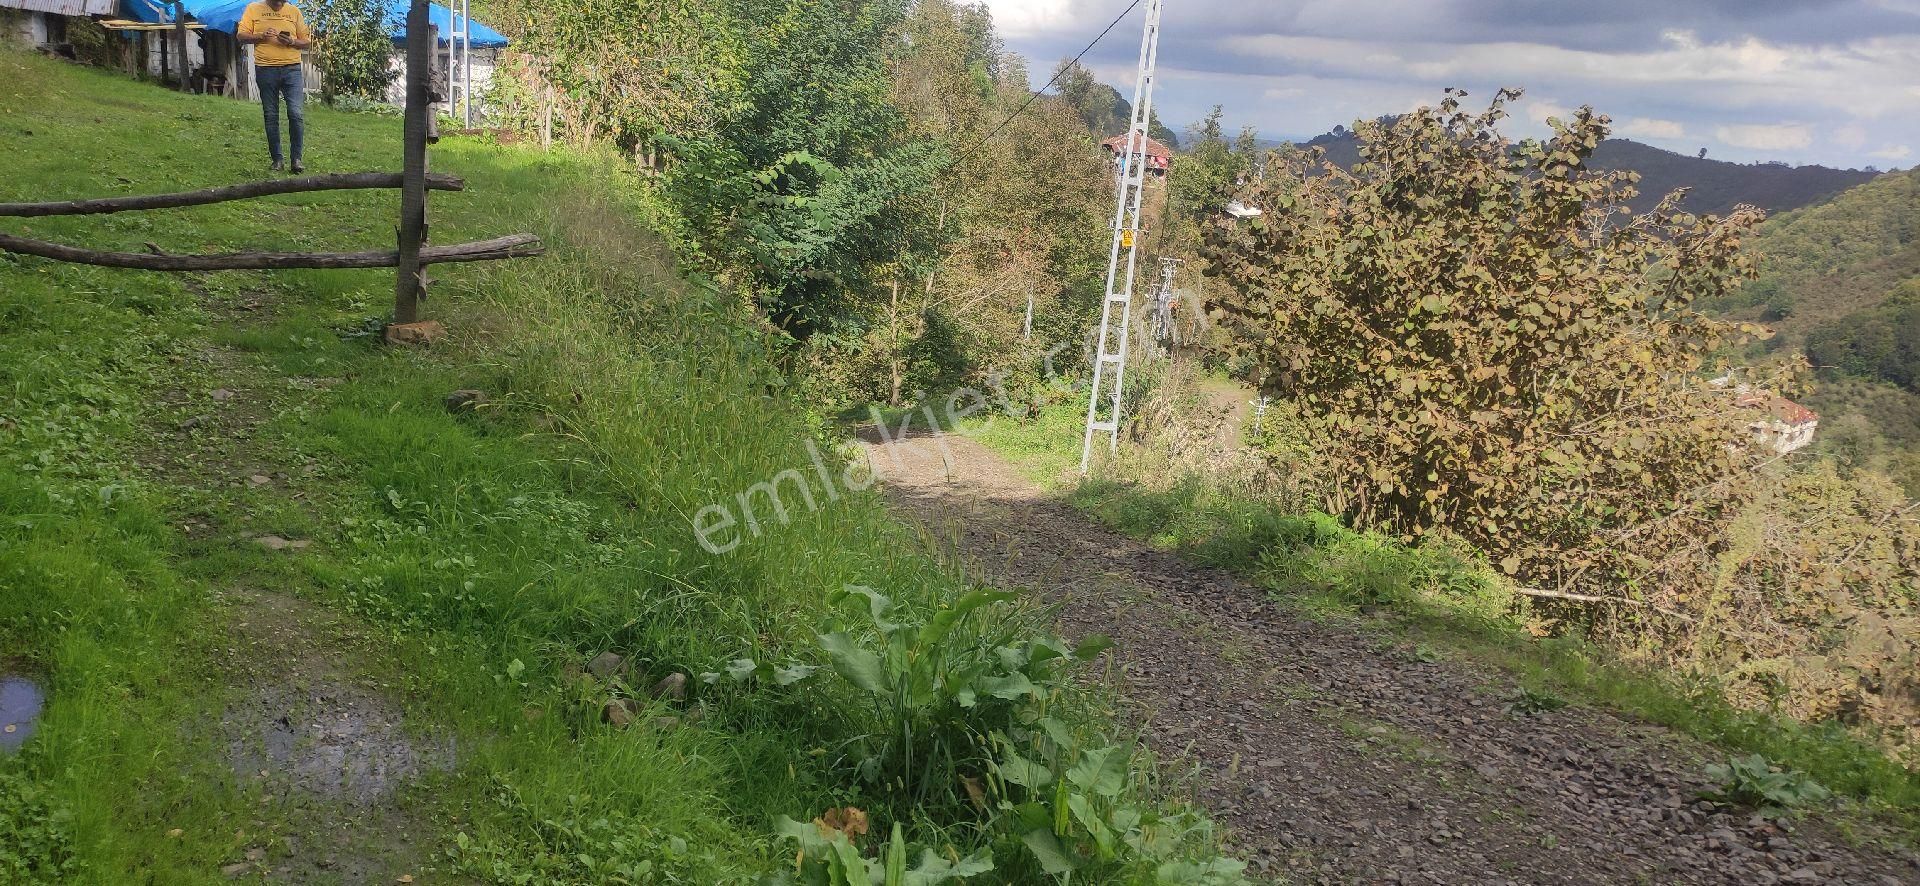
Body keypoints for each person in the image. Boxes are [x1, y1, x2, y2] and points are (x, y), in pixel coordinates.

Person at [237, 0, 312, 173]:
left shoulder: (294, 12)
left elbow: (306, 42)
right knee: (271, 115)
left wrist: (292, 41)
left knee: (296, 113)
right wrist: (261, 36)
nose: (279, 4)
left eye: (282, 1)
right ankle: (277, 160)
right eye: (276, 1)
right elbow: (241, 36)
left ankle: (296, 160)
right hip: (265, 69)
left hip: (291, 69)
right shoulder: (253, 9)